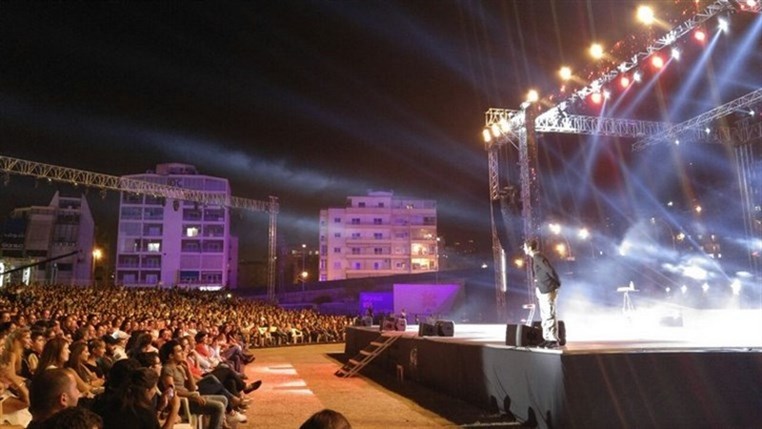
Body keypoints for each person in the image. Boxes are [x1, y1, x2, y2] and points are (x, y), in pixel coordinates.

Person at [523, 238, 562, 349]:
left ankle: (553, 340)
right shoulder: (535, 258)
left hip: (548, 289)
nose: (524, 249)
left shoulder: (538, 257)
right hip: (543, 289)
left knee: (549, 314)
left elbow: (550, 270)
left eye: (525, 247)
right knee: (545, 315)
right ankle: (547, 338)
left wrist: (557, 283)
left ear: (530, 247)